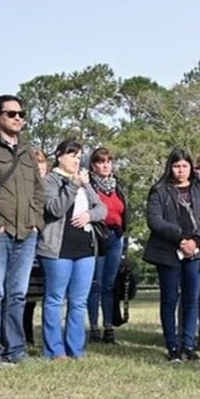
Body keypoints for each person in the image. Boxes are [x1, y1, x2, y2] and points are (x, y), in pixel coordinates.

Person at [0, 95, 42, 367]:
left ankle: (16, 350)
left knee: (18, 294)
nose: (18, 118)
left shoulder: (27, 148)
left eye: (21, 114)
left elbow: (38, 188)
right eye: (11, 113)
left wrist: (36, 220)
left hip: (27, 231)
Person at [144, 147, 200, 363]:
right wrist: (180, 239)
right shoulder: (159, 190)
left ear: (190, 167)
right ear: (170, 167)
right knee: (169, 299)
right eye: (176, 166)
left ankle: (189, 345)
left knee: (192, 299)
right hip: (168, 252)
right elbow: (155, 220)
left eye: (184, 166)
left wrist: (195, 240)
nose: (181, 170)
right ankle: (172, 346)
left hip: (194, 251)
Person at [37, 140, 105, 361]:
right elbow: (55, 209)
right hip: (58, 248)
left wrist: (89, 215)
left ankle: (76, 349)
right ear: (59, 157)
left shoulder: (85, 182)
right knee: (56, 299)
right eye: (72, 155)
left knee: (79, 301)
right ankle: (54, 350)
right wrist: (74, 185)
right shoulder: (49, 181)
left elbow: (101, 208)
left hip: (85, 248)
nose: (76, 160)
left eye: (79, 156)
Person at [87, 146, 127, 345]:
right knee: (95, 284)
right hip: (97, 237)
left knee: (109, 285)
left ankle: (108, 326)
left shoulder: (117, 185)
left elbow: (122, 211)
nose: (105, 165)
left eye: (108, 162)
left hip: (116, 236)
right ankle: (94, 327)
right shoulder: (88, 186)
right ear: (93, 165)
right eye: (101, 162)